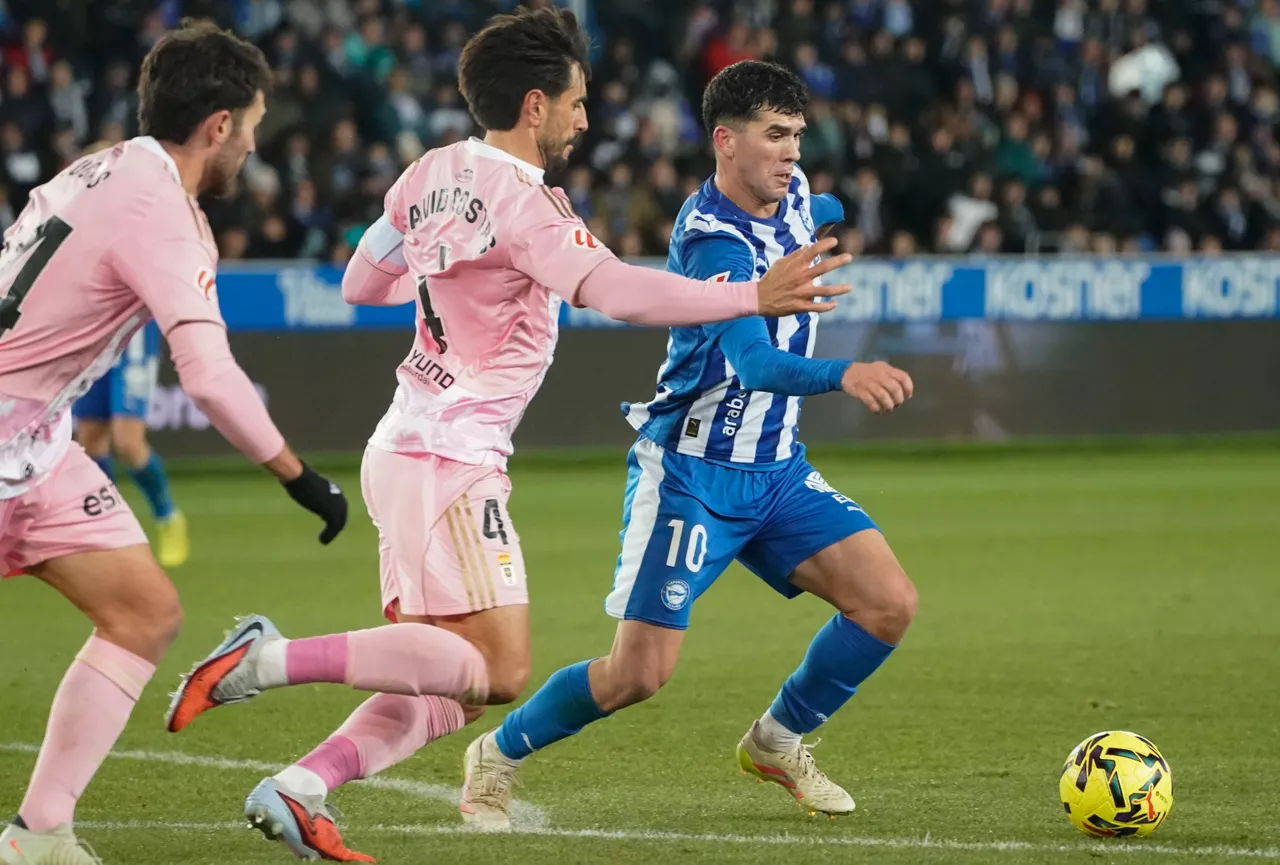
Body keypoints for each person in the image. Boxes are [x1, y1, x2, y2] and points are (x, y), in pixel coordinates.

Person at [160, 9, 850, 862]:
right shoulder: (528, 204)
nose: (584, 119)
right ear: (534, 105)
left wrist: (448, 268)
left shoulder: (430, 172)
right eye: (575, 102)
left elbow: (360, 282)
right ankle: (265, 658)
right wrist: (751, 296)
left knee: (453, 683)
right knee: (504, 668)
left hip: (405, 442)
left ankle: (300, 786)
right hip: (452, 455)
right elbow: (619, 292)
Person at [459, 60, 919, 829]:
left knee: (888, 604)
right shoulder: (713, 244)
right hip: (691, 476)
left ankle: (777, 740)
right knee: (638, 674)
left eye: (797, 135)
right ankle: (495, 756)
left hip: (776, 472)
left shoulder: (797, 196)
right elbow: (756, 364)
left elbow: (817, 204)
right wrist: (848, 372)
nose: (792, 153)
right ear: (724, 142)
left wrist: (838, 211)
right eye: (775, 135)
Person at [0, 20, 348, 865]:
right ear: (220, 124)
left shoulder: (101, 165)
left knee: (144, 610)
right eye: (254, 126)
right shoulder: (166, 210)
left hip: (32, 445)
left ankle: (39, 834)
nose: (254, 147)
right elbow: (210, 376)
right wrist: (300, 476)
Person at [72, 320, 189, 568]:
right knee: (90, 443)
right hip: (93, 337)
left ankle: (166, 516)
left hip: (133, 340)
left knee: (127, 443)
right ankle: (110, 529)